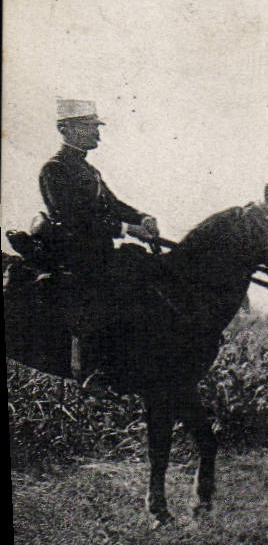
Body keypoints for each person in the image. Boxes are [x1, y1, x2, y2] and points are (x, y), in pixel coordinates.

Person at [38, 99, 161, 390]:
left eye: (95, 127)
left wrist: (142, 217)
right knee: (104, 290)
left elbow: (114, 205)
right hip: (73, 254)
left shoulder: (87, 170)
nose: (97, 134)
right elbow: (73, 220)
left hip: (98, 252)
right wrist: (126, 228)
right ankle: (93, 370)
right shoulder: (54, 169)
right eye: (89, 127)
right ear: (65, 129)